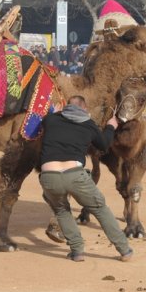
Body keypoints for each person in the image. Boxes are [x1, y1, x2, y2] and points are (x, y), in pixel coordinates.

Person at [38, 95, 133, 262]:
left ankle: (77, 251)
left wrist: (57, 113)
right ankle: (125, 250)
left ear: (66, 108)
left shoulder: (50, 120)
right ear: (84, 109)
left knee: (61, 211)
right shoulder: (89, 125)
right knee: (100, 209)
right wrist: (111, 127)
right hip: (74, 174)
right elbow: (103, 145)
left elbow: (47, 119)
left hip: (49, 176)